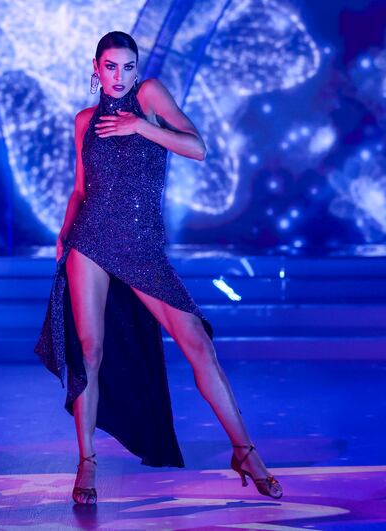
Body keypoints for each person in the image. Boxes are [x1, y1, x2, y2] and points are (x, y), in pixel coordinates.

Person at [36, 31, 281, 504]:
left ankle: (245, 451)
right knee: (90, 351)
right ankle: (87, 463)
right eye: (111, 67)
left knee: (198, 343)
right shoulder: (84, 120)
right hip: (89, 240)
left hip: (142, 246)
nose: (120, 76)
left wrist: (139, 126)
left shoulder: (148, 96)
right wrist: (63, 236)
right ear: (96, 68)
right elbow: (80, 189)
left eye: (128, 66)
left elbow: (197, 147)